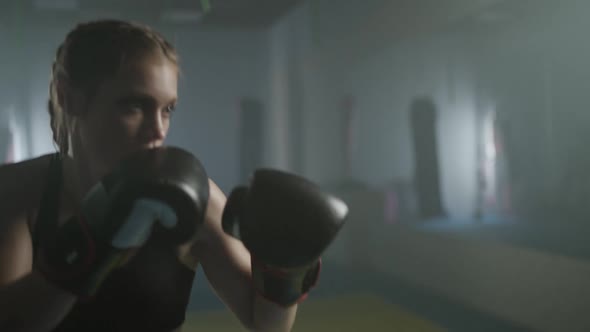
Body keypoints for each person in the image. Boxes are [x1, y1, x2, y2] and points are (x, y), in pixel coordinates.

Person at [0, 19, 345, 332]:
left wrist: (282, 271)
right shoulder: (20, 192)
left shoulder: (196, 199)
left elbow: (266, 325)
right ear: (68, 96)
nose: (158, 130)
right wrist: (96, 237)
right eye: (134, 106)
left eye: (167, 110)